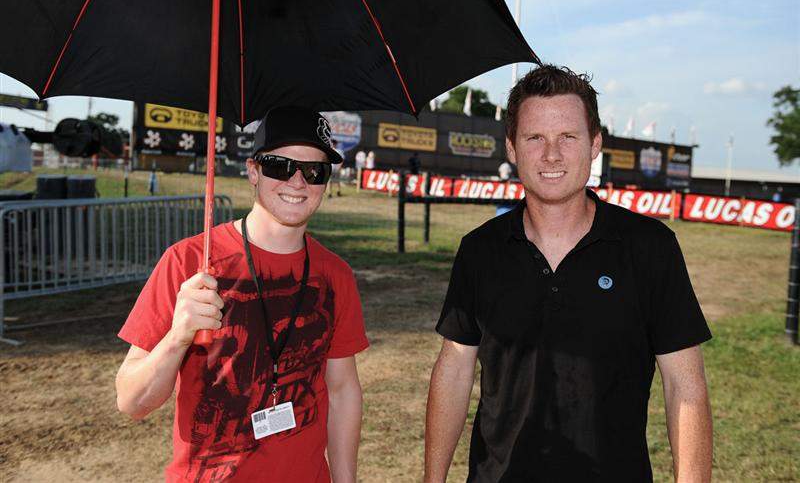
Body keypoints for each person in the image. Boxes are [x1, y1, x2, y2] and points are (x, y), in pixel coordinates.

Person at [425, 65, 713, 482]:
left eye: (568, 137)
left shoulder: (649, 246)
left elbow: (684, 385)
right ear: (511, 147)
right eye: (535, 138)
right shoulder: (480, 250)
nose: (551, 154)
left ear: (595, 143)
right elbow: (453, 370)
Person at [116, 107, 369, 483]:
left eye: (315, 171)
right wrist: (178, 337)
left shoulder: (336, 275)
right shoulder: (188, 262)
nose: (298, 183)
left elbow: (343, 388)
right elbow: (132, 402)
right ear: (253, 170)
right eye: (280, 166)